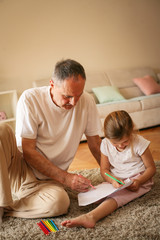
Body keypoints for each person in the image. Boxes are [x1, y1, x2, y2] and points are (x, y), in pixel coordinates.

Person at [0, 59, 102, 224]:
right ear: (52, 84)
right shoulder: (30, 99)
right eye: (67, 96)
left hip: (50, 181)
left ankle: (9, 209)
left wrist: (112, 173)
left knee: (59, 204)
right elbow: (28, 151)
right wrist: (67, 179)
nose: (74, 102)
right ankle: (1, 203)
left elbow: (95, 144)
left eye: (78, 95)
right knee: (2, 130)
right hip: (20, 170)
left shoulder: (87, 102)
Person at [61, 110, 156, 228]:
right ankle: (103, 200)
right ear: (107, 137)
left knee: (116, 197)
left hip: (138, 178)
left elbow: (151, 168)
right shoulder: (105, 144)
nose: (121, 145)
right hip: (117, 179)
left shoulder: (139, 143)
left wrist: (139, 181)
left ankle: (91, 217)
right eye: (116, 143)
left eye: (125, 141)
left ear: (131, 131)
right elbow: (104, 170)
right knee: (93, 194)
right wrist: (112, 180)